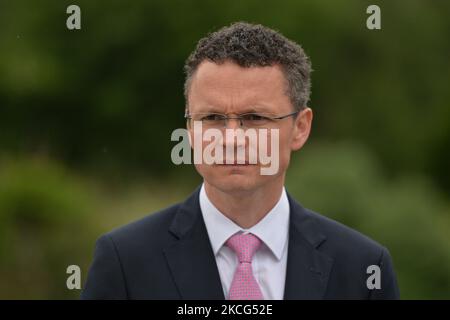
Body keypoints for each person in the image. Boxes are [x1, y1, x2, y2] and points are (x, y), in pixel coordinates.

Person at [81, 22, 400, 300]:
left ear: (300, 128)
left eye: (254, 117)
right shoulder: (125, 262)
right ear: (190, 129)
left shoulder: (363, 269)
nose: (232, 138)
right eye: (213, 117)